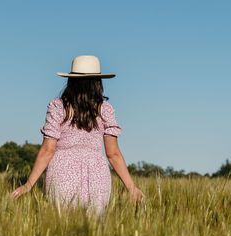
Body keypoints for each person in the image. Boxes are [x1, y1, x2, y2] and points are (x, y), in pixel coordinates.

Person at [11, 55, 145, 216]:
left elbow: (48, 149)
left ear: (71, 81)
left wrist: (28, 185)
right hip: (96, 175)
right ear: (98, 82)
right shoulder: (105, 109)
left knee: (61, 230)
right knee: (94, 231)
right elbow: (113, 154)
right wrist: (131, 187)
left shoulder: (58, 107)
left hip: (62, 172)